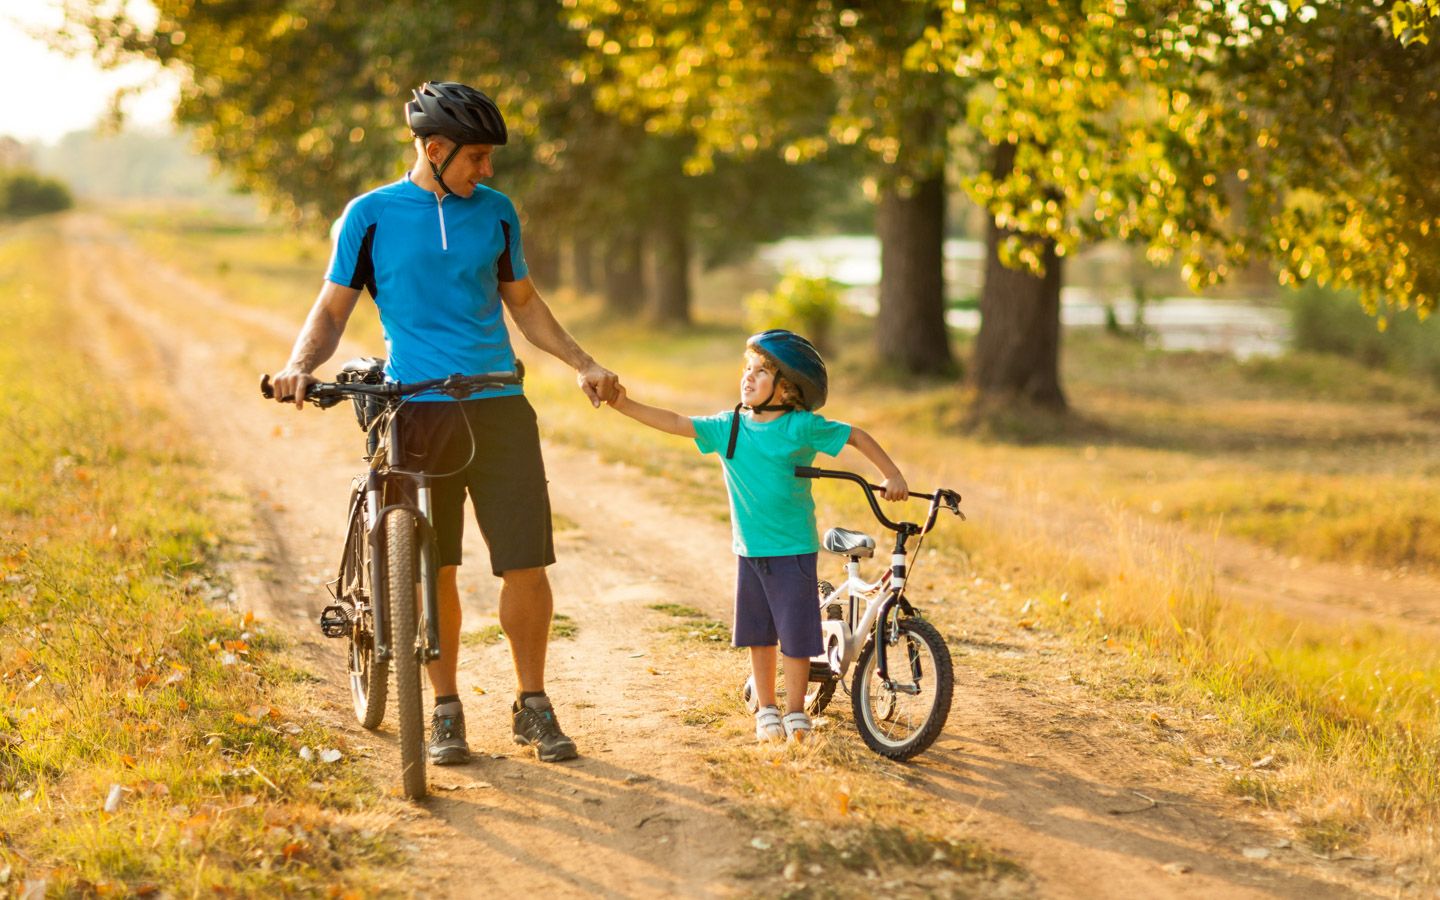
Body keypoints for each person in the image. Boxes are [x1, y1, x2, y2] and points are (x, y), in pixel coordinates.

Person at [269, 81, 618, 764]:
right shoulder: (369, 216)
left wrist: (583, 361)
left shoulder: (497, 213)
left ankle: (533, 704)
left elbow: (524, 302)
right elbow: (333, 310)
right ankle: (445, 709)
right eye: (477, 157)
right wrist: (298, 365)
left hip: (497, 403)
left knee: (525, 561)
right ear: (435, 148)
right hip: (416, 409)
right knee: (435, 566)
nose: (487, 170)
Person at [607, 330, 907, 742]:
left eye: (761, 371)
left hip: (794, 550)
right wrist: (623, 404)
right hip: (750, 552)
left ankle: (796, 710)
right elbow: (677, 422)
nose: (748, 377)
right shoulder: (730, 428)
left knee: (797, 638)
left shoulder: (800, 428)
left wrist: (890, 474)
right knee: (760, 636)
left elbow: (855, 435)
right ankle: (766, 708)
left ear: (787, 391)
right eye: (747, 368)